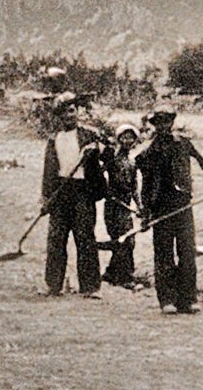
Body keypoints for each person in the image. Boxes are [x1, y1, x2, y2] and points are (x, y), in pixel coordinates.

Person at [137, 100, 203, 313]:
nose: (163, 126)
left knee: (187, 252)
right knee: (164, 253)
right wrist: (146, 213)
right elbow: (146, 184)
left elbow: (202, 161)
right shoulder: (149, 151)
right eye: (159, 122)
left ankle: (188, 299)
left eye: (167, 121)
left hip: (183, 203)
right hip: (161, 206)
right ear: (154, 124)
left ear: (172, 122)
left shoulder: (183, 143)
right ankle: (167, 300)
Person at [41, 94, 106, 298]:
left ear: (77, 112)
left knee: (85, 238)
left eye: (72, 111)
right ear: (59, 117)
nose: (69, 115)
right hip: (61, 191)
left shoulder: (89, 135)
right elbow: (48, 171)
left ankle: (90, 287)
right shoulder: (54, 140)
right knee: (56, 239)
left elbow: (109, 153)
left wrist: (97, 149)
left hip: (82, 192)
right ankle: (53, 285)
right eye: (64, 112)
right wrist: (46, 198)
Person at [102, 124, 142, 288]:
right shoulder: (112, 159)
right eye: (124, 137)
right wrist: (106, 190)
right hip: (113, 205)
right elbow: (99, 173)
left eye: (131, 137)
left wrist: (139, 206)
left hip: (126, 205)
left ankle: (111, 273)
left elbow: (134, 186)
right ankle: (126, 278)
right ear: (119, 139)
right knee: (123, 240)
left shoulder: (132, 162)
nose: (128, 140)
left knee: (126, 240)